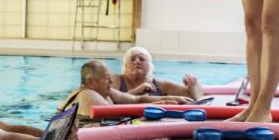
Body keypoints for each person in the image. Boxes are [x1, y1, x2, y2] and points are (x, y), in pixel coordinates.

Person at [58, 60, 189, 118]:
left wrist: (171, 99)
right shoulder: (87, 94)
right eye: (106, 78)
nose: (111, 81)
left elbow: (136, 99)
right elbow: (113, 114)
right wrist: (153, 107)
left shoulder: (104, 91)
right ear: (91, 81)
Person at [112, 47, 203, 100]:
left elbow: (194, 98)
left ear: (150, 66)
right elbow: (109, 102)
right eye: (132, 59)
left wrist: (193, 83)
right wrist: (136, 91)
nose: (137, 62)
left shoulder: (161, 85)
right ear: (125, 66)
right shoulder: (116, 80)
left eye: (142, 59)